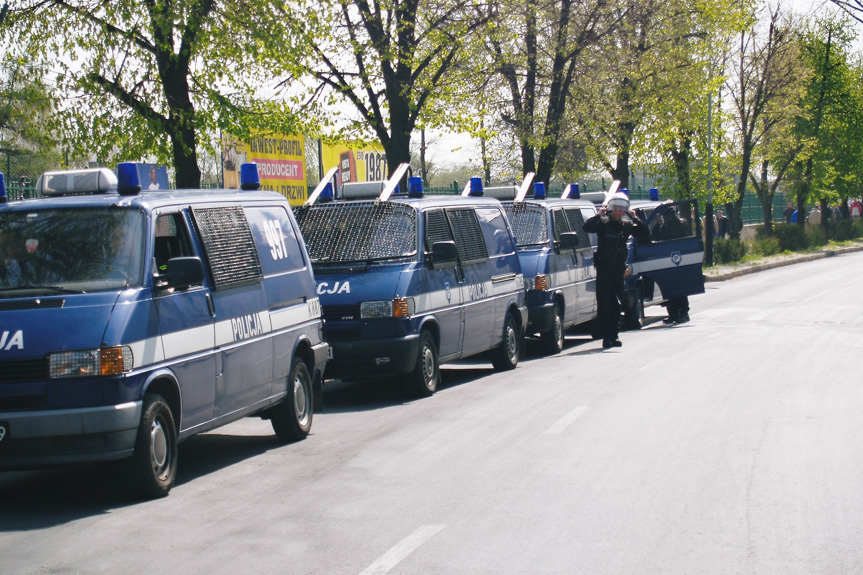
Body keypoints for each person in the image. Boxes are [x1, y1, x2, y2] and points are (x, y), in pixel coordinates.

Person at [583, 192, 650, 349]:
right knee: (604, 304)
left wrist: (634, 217)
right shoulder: (603, 223)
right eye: (616, 209)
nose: (619, 212)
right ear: (611, 210)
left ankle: (614, 335)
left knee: (616, 303)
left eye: (622, 210)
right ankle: (606, 337)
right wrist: (599, 214)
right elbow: (587, 227)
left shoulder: (626, 226)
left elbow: (644, 232)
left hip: (618, 270)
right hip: (604, 269)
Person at [653, 206, 691, 325]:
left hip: (679, 258)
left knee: (680, 289)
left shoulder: (679, 224)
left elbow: (684, 235)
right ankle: (673, 314)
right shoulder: (664, 226)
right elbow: (656, 237)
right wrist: (657, 224)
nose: (664, 218)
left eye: (665, 216)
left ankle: (684, 313)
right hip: (668, 259)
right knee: (671, 289)